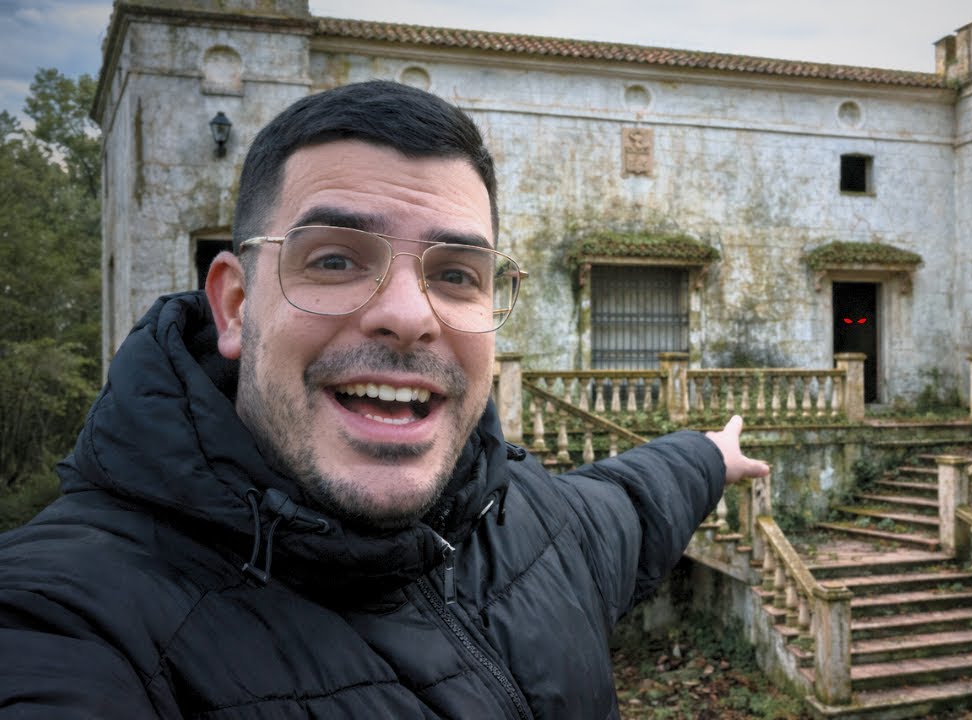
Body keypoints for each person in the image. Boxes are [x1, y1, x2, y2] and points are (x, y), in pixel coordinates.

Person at [0, 80, 768, 719]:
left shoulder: (530, 521)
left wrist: (709, 454)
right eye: (335, 260)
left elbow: (632, 501)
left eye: (456, 274)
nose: (408, 315)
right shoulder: (70, 620)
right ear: (234, 305)